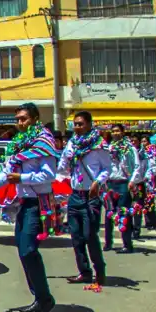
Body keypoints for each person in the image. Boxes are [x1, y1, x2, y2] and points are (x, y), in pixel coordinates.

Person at [0, 103, 58, 312]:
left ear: (35, 119)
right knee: (22, 250)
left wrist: (22, 178)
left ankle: (44, 299)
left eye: (24, 119)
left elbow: (48, 175)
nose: (20, 123)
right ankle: (39, 298)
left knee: (28, 250)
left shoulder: (44, 142)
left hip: (38, 202)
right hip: (24, 203)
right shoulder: (19, 144)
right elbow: (6, 172)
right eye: (18, 119)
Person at [57, 112, 110, 287]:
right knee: (76, 236)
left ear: (89, 124)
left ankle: (99, 271)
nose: (77, 127)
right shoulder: (72, 143)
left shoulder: (99, 145)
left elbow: (107, 168)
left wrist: (97, 182)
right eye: (75, 124)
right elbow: (63, 166)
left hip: (91, 196)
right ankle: (84, 272)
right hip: (75, 195)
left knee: (89, 235)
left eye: (80, 124)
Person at [103, 124, 145, 254]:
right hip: (110, 183)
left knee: (124, 213)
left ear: (122, 132)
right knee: (109, 214)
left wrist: (132, 181)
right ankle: (108, 243)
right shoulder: (108, 147)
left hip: (123, 183)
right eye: (113, 131)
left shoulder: (130, 148)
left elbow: (137, 166)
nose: (115, 133)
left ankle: (127, 244)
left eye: (117, 131)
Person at [141, 135, 156, 230]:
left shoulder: (153, 152)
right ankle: (148, 221)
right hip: (141, 180)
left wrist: (149, 176)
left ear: (148, 142)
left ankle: (154, 222)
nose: (143, 143)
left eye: (145, 141)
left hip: (149, 180)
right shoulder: (141, 152)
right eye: (142, 141)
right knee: (143, 201)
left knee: (149, 201)